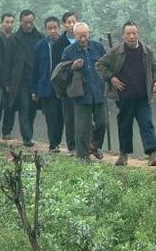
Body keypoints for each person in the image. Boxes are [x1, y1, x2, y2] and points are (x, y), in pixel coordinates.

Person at [97, 21, 156, 167]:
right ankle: (123, 155)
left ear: (138, 34)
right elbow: (99, 65)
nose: (131, 36)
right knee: (125, 125)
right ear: (123, 36)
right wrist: (111, 78)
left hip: (143, 96)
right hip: (124, 97)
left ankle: (152, 153)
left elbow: (155, 68)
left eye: (134, 33)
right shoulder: (115, 52)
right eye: (128, 34)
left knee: (146, 123)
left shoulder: (146, 51)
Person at [61, 22, 107, 161]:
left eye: (85, 36)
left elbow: (107, 64)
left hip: (98, 91)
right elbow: (62, 73)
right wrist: (72, 67)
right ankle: (82, 158)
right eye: (79, 37)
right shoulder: (68, 51)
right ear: (74, 36)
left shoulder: (98, 47)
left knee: (102, 122)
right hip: (81, 93)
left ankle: (93, 146)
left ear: (89, 33)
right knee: (82, 128)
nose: (82, 39)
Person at [5, 10, 45, 146]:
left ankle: (29, 134)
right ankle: (27, 137)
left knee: (32, 109)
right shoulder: (14, 39)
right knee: (24, 107)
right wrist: (8, 81)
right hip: (20, 80)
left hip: (35, 79)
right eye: (26, 22)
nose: (28, 25)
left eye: (31, 22)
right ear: (21, 22)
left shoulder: (40, 38)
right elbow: (8, 61)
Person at [32, 16, 65, 151]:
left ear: (59, 28)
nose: (52, 31)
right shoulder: (40, 46)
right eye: (49, 29)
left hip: (62, 88)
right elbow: (35, 68)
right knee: (50, 117)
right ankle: (53, 144)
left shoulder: (65, 44)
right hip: (46, 87)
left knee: (61, 117)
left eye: (55, 28)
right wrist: (34, 89)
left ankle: (57, 141)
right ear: (45, 30)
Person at [57, 11, 79, 153]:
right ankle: (72, 146)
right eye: (69, 22)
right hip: (67, 85)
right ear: (64, 25)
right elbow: (58, 68)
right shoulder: (59, 44)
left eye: (74, 22)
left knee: (85, 117)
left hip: (83, 86)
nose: (72, 25)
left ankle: (86, 144)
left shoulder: (84, 41)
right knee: (69, 117)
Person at [0, 13, 16, 137]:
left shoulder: (16, 38)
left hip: (12, 77)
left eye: (11, 22)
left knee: (11, 105)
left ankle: (7, 131)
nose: (9, 25)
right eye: (6, 22)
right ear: (1, 23)